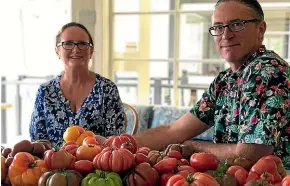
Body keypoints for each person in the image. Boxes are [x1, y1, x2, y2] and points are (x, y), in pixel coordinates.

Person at [98, 0, 290, 169]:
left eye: (236, 24)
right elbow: (173, 131)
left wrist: (192, 147)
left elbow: (251, 154)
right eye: (218, 27)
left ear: (261, 29)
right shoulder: (224, 81)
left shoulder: (267, 72)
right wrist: (114, 145)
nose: (226, 35)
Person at [29, 22, 125, 145]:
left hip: (97, 163)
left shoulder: (108, 89)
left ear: (91, 51)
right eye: (68, 43)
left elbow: (115, 143)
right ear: (57, 51)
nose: (76, 49)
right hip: (51, 162)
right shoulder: (45, 91)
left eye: (82, 44)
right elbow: (37, 141)